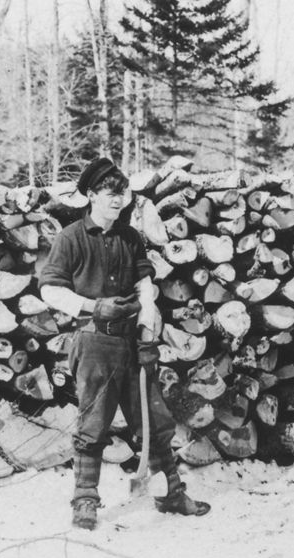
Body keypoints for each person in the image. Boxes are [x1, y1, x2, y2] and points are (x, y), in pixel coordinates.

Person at [38, 157, 212, 529]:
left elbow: (145, 288)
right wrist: (92, 305)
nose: (117, 200)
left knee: (154, 421)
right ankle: (85, 501)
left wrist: (148, 333)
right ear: (90, 196)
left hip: (132, 342)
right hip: (93, 342)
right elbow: (50, 289)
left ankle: (171, 494)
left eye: (121, 193)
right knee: (92, 426)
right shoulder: (70, 238)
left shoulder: (130, 237)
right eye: (108, 194)